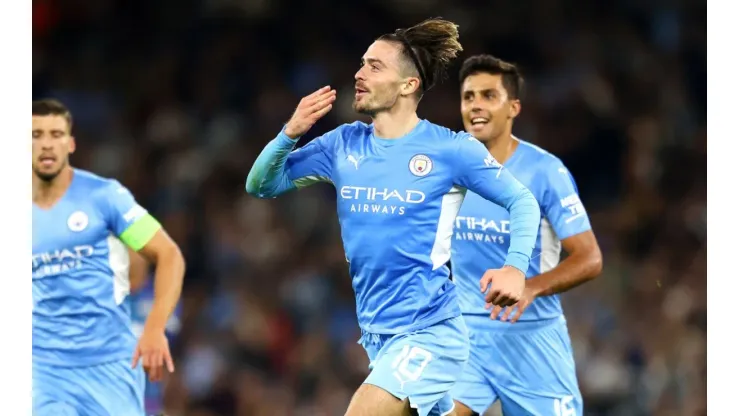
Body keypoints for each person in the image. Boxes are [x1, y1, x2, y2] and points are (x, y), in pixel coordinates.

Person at [246, 19, 541, 416]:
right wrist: (289, 133)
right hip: (378, 336)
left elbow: (523, 202)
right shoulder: (342, 144)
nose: (359, 73)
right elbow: (262, 184)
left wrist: (515, 268)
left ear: (408, 85)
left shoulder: (451, 150)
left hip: (430, 331)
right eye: (362, 64)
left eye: (374, 66)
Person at [449, 55, 603, 416]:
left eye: (489, 95)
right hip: (466, 337)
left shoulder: (545, 171)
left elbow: (590, 258)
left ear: (513, 107)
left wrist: (531, 287)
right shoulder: (450, 170)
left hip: (531, 337)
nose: (476, 105)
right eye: (468, 96)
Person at [32, 99, 186, 415]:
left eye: (55, 134)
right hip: (44, 371)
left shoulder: (103, 197)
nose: (46, 144)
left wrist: (154, 328)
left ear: (70, 143)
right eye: (35, 135)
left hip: (109, 368)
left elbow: (168, 254)